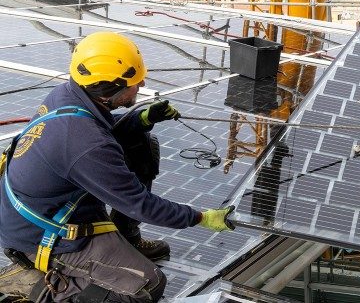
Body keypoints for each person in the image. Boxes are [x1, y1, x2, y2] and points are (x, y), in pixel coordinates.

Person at [0, 32, 235, 302]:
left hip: (50, 204)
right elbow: (140, 204)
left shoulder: (69, 93)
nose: (142, 84)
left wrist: (142, 119)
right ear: (109, 88)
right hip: (42, 235)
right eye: (134, 83)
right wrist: (200, 218)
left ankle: (126, 235)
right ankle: (39, 287)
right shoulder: (85, 143)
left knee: (142, 142)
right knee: (146, 285)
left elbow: (97, 131)